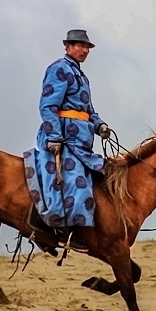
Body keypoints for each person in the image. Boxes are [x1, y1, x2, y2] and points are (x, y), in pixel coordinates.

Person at [23, 29, 111, 249]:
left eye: (86, 47)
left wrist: (100, 125)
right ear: (68, 47)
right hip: (62, 138)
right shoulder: (59, 69)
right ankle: (61, 232)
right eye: (79, 46)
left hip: (81, 140)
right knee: (74, 182)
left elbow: (88, 109)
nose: (83, 51)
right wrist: (54, 135)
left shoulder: (82, 76)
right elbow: (48, 105)